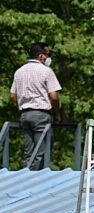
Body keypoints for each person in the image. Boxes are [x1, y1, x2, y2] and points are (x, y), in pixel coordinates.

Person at [9, 42, 62, 170]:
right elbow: (54, 96)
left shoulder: (19, 72)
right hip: (41, 115)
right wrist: (56, 113)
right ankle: (38, 181)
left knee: (29, 153)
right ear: (41, 56)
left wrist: (23, 104)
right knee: (41, 153)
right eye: (47, 54)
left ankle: (26, 179)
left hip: (25, 115)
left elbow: (12, 96)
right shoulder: (46, 71)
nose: (49, 58)